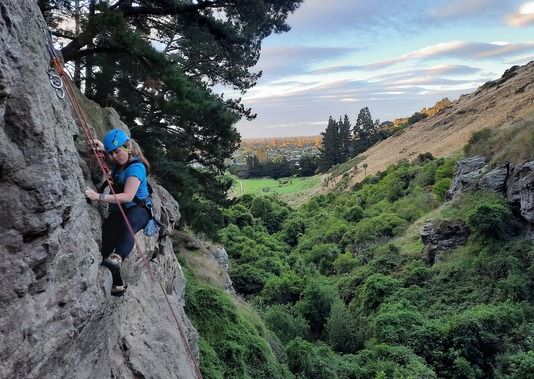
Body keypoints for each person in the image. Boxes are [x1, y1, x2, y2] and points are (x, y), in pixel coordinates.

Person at [85, 129, 151, 296]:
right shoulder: (118, 162)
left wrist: (97, 196)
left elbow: (128, 196)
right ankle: (118, 285)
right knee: (106, 238)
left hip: (139, 210)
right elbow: (110, 156)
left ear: (127, 147)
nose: (114, 156)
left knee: (127, 226)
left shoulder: (136, 169)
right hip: (120, 210)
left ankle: (118, 258)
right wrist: (101, 146)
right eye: (111, 153)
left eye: (117, 151)